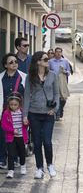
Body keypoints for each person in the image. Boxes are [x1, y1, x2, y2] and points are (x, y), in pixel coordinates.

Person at [23, 51, 59, 179]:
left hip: (48, 113)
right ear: (38, 61)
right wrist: (25, 115)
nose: (47, 61)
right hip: (34, 113)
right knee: (37, 142)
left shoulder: (53, 75)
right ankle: (39, 168)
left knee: (47, 141)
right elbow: (26, 96)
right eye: (45, 59)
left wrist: (54, 110)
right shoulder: (30, 77)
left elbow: (56, 94)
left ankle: (50, 165)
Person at [0, 53, 27, 170]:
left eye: (16, 61)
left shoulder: (23, 77)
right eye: (11, 62)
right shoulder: (1, 78)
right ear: (5, 65)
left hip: (18, 113)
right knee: (3, 135)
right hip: (4, 112)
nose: (14, 64)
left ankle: (14, 158)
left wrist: (26, 113)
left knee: (16, 135)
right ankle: (2, 159)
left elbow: (27, 96)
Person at [1, 93, 28, 178]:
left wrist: (26, 123)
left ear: (19, 104)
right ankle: (10, 170)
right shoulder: (6, 113)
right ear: (8, 104)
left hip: (21, 137)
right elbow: (3, 125)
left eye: (15, 105)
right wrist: (12, 131)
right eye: (11, 104)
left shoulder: (22, 112)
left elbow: (26, 124)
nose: (13, 106)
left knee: (22, 153)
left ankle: (23, 166)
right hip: (11, 138)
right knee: (11, 154)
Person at [48, 47, 72, 120]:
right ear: (55, 53)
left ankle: (61, 110)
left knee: (63, 98)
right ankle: (57, 114)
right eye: (57, 52)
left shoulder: (65, 61)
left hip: (62, 82)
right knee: (56, 97)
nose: (58, 53)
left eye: (60, 52)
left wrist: (65, 71)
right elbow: (47, 71)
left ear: (61, 53)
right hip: (53, 82)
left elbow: (69, 72)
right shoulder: (50, 62)